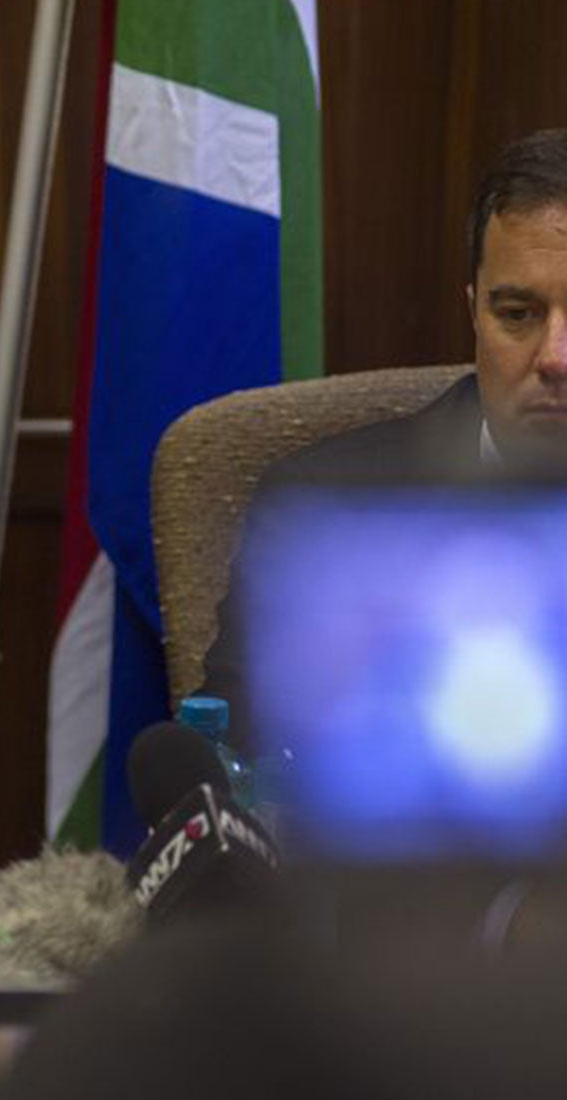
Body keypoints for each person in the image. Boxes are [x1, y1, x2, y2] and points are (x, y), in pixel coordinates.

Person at [200, 127, 567, 723]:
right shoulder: (324, 511)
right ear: (473, 312)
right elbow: (236, 755)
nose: (555, 358)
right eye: (518, 315)